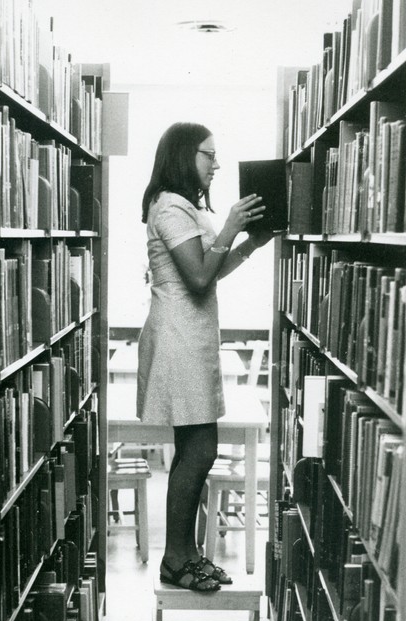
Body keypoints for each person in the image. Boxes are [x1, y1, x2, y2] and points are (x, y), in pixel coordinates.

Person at [137, 121, 274, 592]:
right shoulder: (170, 206)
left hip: (191, 337)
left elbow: (212, 270)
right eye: (207, 155)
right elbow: (197, 278)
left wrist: (249, 244)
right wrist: (231, 227)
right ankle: (176, 557)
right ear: (182, 155)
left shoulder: (185, 207)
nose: (215, 164)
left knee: (195, 449)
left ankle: (186, 553)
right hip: (179, 338)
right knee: (200, 448)